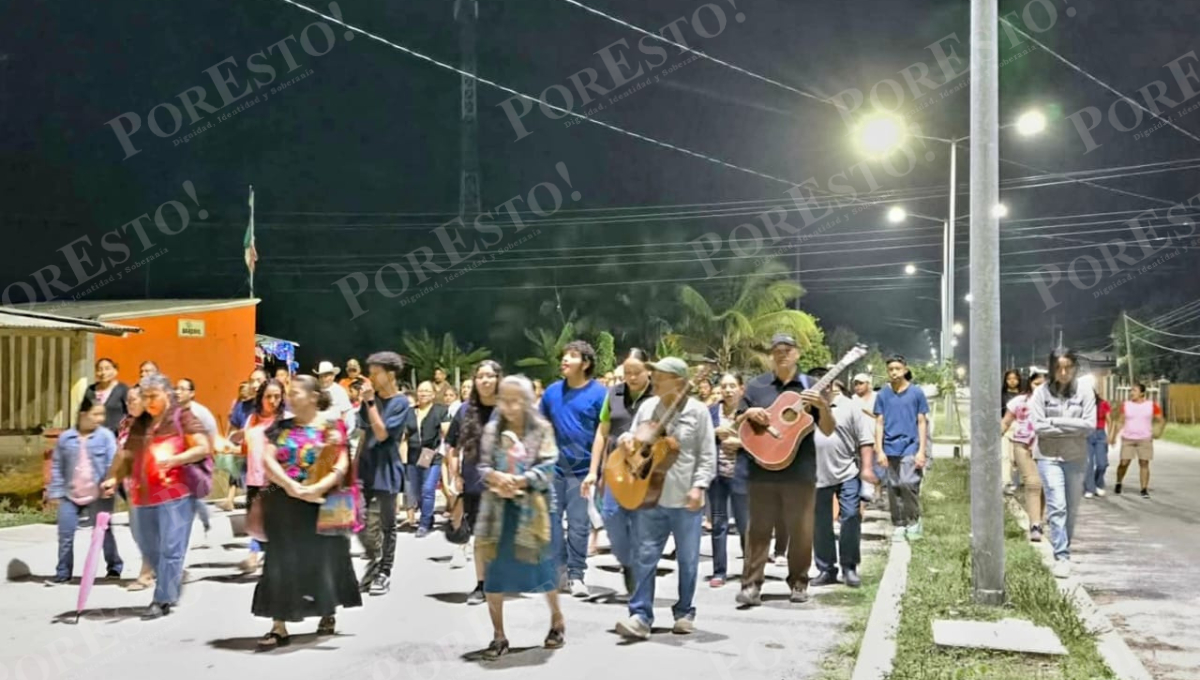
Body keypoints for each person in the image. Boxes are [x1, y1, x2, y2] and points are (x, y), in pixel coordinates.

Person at [251, 375, 362, 650]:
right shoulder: (280, 427)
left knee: (324, 558)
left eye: (296, 392)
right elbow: (267, 458)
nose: (289, 397)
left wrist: (317, 488)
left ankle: (326, 611)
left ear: (313, 397)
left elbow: (341, 462)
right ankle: (279, 625)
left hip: (323, 502)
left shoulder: (330, 427)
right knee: (279, 561)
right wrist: (290, 486)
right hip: (284, 503)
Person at [613, 357, 715, 639]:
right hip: (649, 495)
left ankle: (684, 612)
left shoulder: (698, 412)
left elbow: (707, 455)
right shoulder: (647, 406)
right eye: (654, 375)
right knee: (644, 556)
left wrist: (699, 486)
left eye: (661, 376)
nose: (655, 380)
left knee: (688, 559)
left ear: (680, 382)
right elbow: (634, 440)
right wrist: (625, 440)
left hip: (685, 497)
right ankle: (640, 615)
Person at [736, 333, 834, 607]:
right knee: (758, 530)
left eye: (787, 349)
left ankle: (799, 583)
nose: (782, 354)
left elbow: (827, 429)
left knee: (801, 530)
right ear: (771, 355)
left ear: (797, 353)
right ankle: (751, 585)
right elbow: (738, 419)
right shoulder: (756, 386)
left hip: (800, 472)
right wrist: (749, 413)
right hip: (761, 470)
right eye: (776, 349)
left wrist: (822, 406)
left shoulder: (811, 386)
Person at [104, 373, 212, 619]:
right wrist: (114, 478)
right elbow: (127, 456)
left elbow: (203, 447)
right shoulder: (139, 423)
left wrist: (175, 459)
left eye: (154, 396)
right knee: (149, 547)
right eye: (145, 396)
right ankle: (169, 586)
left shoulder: (182, 417)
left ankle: (161, 599)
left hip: (176, 494)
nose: (149, 401)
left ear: (167, 395)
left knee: (171, 548)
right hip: (143, 495)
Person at [476, 375, 565, 659]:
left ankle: (557, 620)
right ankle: (499, 635)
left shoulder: (541, 428)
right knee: (494, 574)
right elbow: (483, 465)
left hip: (532, 509)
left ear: (528, 402)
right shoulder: (492, 429)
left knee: (543, 570)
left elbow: (549, 465)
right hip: (497, 509)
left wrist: (522, 481)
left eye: (516, 401)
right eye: (504, 400)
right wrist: (494, 477)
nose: (510, 406)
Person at [581, 348, 654, 598]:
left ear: (648, 371)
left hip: (646, 469)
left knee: (640, 523)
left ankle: (642, 580)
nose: (631, 377)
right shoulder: (614, 394)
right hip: (615, 469)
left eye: (636, 372)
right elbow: (602, 434)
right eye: (627, 372)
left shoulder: (657, 397)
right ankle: (628, 563)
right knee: (611, 516)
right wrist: (593, 471)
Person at [539, 340, 608, 598]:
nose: (564, 360)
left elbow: (604, 433)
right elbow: (541, 425)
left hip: (583, 472)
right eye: (564, 356)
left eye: (572, 356)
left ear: (586, 363)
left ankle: (577, 574)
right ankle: (559, 570)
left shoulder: (599, 394)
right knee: (553, 524)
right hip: (555, 470)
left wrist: (595, 471)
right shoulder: (551, 392)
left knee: (579, 525)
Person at [1029, 348, 1096, 579]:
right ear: (1051, 369)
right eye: (1059, 367)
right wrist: (1071, 426)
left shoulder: (1085, 392)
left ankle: (1063, 546)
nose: (1064, 372)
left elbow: (1089, 425)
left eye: (1068, 367)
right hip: (1048, 456)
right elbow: (1039, 427)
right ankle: (1062, 556)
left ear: (1075, 368)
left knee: (1071, 509)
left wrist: (1055, 421)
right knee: (1057, 505)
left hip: (1076, 457)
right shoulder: (1040, 393)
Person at [356, 351, 416, 596]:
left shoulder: (401, 403)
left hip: (387, 469)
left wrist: (370, 402)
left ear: (390, 374)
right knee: (358, 520)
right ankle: (373, 562)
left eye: (375, 372)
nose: (371, 377)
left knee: (387, 524)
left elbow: (382, 434)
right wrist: (351, 466)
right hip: (365, 467)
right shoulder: (369, 400)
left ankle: (384, 571)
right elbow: (363, 434)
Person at [47, 398, 123, 585]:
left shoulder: (105, 436)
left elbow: (112, 462)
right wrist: (55, 492)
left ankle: (114, 566)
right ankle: (63, 572)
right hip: (70, 494)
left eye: (102, 414)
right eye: (95, 414)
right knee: (65, 534)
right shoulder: (66, 438)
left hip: (99, 493)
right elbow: (57, 465)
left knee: (103, 532)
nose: (100, 418)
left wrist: (109, 484)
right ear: (83, 414)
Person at [445, 360, 502, 604]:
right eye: (480, 376)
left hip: (504, 482)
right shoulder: (464, 410)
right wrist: (454, 474)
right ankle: (482, 584)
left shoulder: (509, 408)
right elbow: (451, 445)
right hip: (474, 482)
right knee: (481, 535)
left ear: (499, 379)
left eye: (490, 376)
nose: (485, 380)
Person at [812, 368, 875, 589]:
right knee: (820, 524)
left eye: (820, 384)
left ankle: (849, 567)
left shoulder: (851, 406)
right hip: (817, 476)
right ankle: (826, 568)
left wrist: (867, 469)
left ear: (829, 385)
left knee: (850, 517)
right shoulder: (805, 410)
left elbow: (865, 441)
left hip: (847, 472)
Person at [873, 355, 929, 541]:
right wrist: (879, 449)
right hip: (889, 447)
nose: (894, 372)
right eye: (891, 369)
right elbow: (879, 422)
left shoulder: (916, 393)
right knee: (893, 486)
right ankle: (898, 523)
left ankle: (913, 520)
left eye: (898, 368)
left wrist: (921, 450)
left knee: (907, 482)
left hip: (910, 445)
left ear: (905, 369)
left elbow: (921, 422)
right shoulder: (883, 395)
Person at [234, 378, 284, 573]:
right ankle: (258, 555)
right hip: (254, 478)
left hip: (276, 481)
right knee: (256, 522)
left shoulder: (285, 421)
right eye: (268, 397)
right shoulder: (252, 419)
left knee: (274, 524)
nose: (273, 401)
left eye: (277, 397)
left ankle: (265, 561)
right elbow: (246, 447)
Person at [706, 371, 750, 588]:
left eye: (733, 385)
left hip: (742, 476)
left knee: (745, 525)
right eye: (724, 386)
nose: (728, 390)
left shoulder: (750, 413)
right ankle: (719, 571)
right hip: (717, 477)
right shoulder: (711, 412)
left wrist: (740, 442)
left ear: (742, 388)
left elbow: (762, 443)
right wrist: (714, 432)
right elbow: (699, 438)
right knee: (718, 524)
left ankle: (749, 570)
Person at [1002, 372, 1046, 542]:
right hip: (1023, 445)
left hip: (1047, 447)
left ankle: (1038, 521)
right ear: (1030, 384)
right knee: (1033, 483)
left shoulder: (1055, 403)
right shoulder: (1019, 402)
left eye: (1043, 384)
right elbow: (1006, 422)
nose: (1040, 387)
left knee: (1043, 486)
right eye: (1036, 384)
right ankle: (1034, 525)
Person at [404, 381, 450, 536]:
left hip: (432, 453)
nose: (423, 393)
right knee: (417, 492)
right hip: (413, 455)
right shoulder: (409, 412)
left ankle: (424, 523)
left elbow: (446, 432)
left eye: (426, 391)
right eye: (420, 390)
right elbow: (403, 434)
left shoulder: (440, 410)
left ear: (433, 394)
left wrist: (448, 454)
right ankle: (428, 516)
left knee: (428, 489)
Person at [175, 378, 218, 544]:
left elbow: (211, 432)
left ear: (192, 393)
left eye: (182, 389)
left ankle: (205, 519)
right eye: (176, 388)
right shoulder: (173, 412)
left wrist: (209, 454)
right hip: (179, 463)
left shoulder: (200, 412)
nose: (178, 392)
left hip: (196, 462)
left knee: (195, 494)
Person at [1110, 383, 1164, 498]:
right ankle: (1119, 481)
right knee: (1124, 463)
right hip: (1128, 438)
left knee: (1144, 463)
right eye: (1131, 390)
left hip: (1145, 439)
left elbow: (1161, 420)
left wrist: (1159, 432)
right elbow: (1120, 421)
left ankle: (1144, 489)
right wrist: (1114, 436)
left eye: (1134, 390)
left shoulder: (1151, 405)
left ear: (1142, 393)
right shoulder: (1126, 405)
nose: (1131, 393)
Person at [84, 358, 129, 433]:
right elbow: (84, 412)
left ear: (115, 371)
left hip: (116, 436)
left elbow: (130, 413)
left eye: (107, 369)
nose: (103, 372)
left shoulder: (122, 389)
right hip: (94, 435)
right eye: (100, 369)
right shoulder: (90, 390)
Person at [316, 361, 356, 434]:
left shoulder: (339, 391)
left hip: (334, 427)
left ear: (333, 376)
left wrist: (341, 430)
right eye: (321, 376)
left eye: (326, 376)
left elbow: (345, 412)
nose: (323, 379)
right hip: (317, 426)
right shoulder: (315, 389)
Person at [1085, 390, 1112, 498]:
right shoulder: (1083, 405)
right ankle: (1089, 488)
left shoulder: (1103, 404)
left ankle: (1098, 484)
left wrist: (1110, 435)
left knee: (1102, 464)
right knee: (1088, 464)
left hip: (1100, 434)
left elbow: (1109, 420)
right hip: (1087, 435)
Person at [1002, 369, 1023, 492]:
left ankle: (1017, 480)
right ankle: (1006, 481)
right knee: (1005, 457)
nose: (1012, 381)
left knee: (1016, 457)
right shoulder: (1002, 395)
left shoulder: (1023, 395)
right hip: (1006, 428)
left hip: (1021, 428)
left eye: (1014, 378)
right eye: (1009, 379)